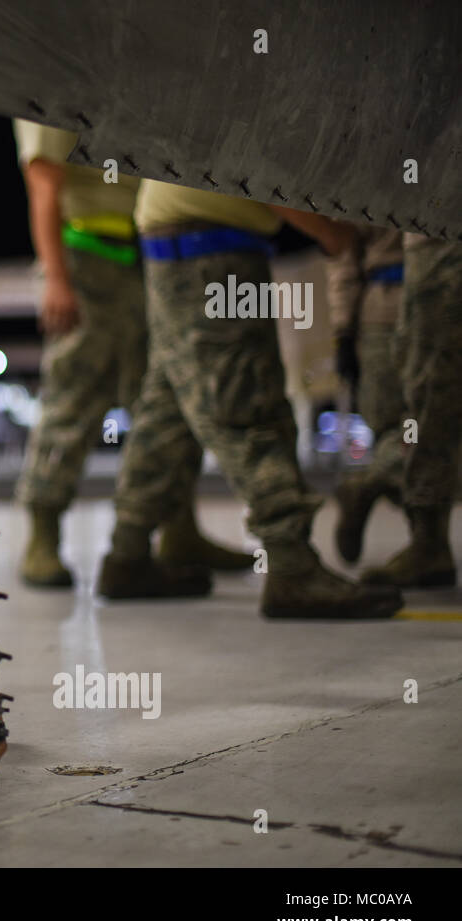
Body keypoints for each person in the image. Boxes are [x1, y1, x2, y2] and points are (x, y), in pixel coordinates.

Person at [97, 177, 404, 618]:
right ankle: (292, 568)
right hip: (213, 249)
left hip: (177, 244)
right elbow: (258, 171)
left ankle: (127, 553)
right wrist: (331, 233)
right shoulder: (268, 107)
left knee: (168, 411)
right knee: (248, 404)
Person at [11, 120, 251, 589]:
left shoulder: (118, 87)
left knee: (164, 401)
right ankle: (43, 536)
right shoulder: (54, 91)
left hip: (146, 255)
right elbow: (43, 184)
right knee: (72, 398)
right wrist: (56, 277)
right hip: (87, 257)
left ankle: (179, 528)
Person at [361, 233, 461, 588]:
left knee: (430, 408)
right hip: (426, 258)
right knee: (425, 410)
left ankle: (370, 481)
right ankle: (427, 540)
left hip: (437, 250)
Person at [325, 226, 407, 563]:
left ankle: (431, 544)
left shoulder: (365, 175)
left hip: (379, 308)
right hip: (418, 303)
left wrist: (344, 329)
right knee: (431, 428)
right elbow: (343, 252)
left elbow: (343, 253)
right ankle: (372, 483)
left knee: (401, 430)